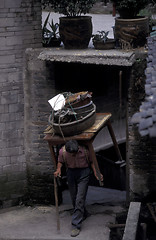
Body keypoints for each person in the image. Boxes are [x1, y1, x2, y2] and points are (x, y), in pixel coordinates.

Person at [54, 140, 103, 237]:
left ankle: (76, 225)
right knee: (74, 197)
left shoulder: (85, 151)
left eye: (74, 153)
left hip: (84, 173)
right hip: (71, 173)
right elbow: (60, 161)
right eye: (71, 154)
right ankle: (83, 213)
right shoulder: (62, 152)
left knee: (80, 198)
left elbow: (92, 162)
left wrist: (96, 172)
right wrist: (58, 169)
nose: (73, 155)